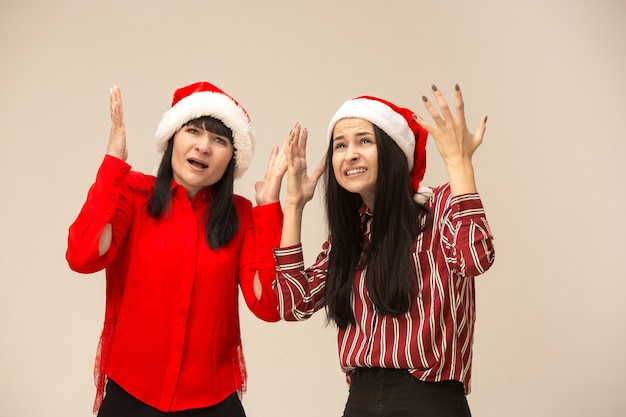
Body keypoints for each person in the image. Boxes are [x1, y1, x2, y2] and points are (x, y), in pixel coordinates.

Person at [66, 81, 286, 416]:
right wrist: (113, 161)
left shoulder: (241, 217)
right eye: (193, 131)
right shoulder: (133, 195)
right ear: (172, 139)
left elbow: (269, 305)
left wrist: (269, 207)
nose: (204, 146)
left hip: (213, 401)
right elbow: (83, 255)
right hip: (131, 396)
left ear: (232, 157)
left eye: (219, 140)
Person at [274, 84, 495, 416]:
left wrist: (459, 163)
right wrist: (293, 207)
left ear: (392, 151)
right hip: (362, 399)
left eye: (364, 141)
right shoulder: (350, 234)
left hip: (428, 400)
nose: (350, 154)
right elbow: (293, 303)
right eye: (340, 145)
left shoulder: (440, 206)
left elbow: (475, 259)